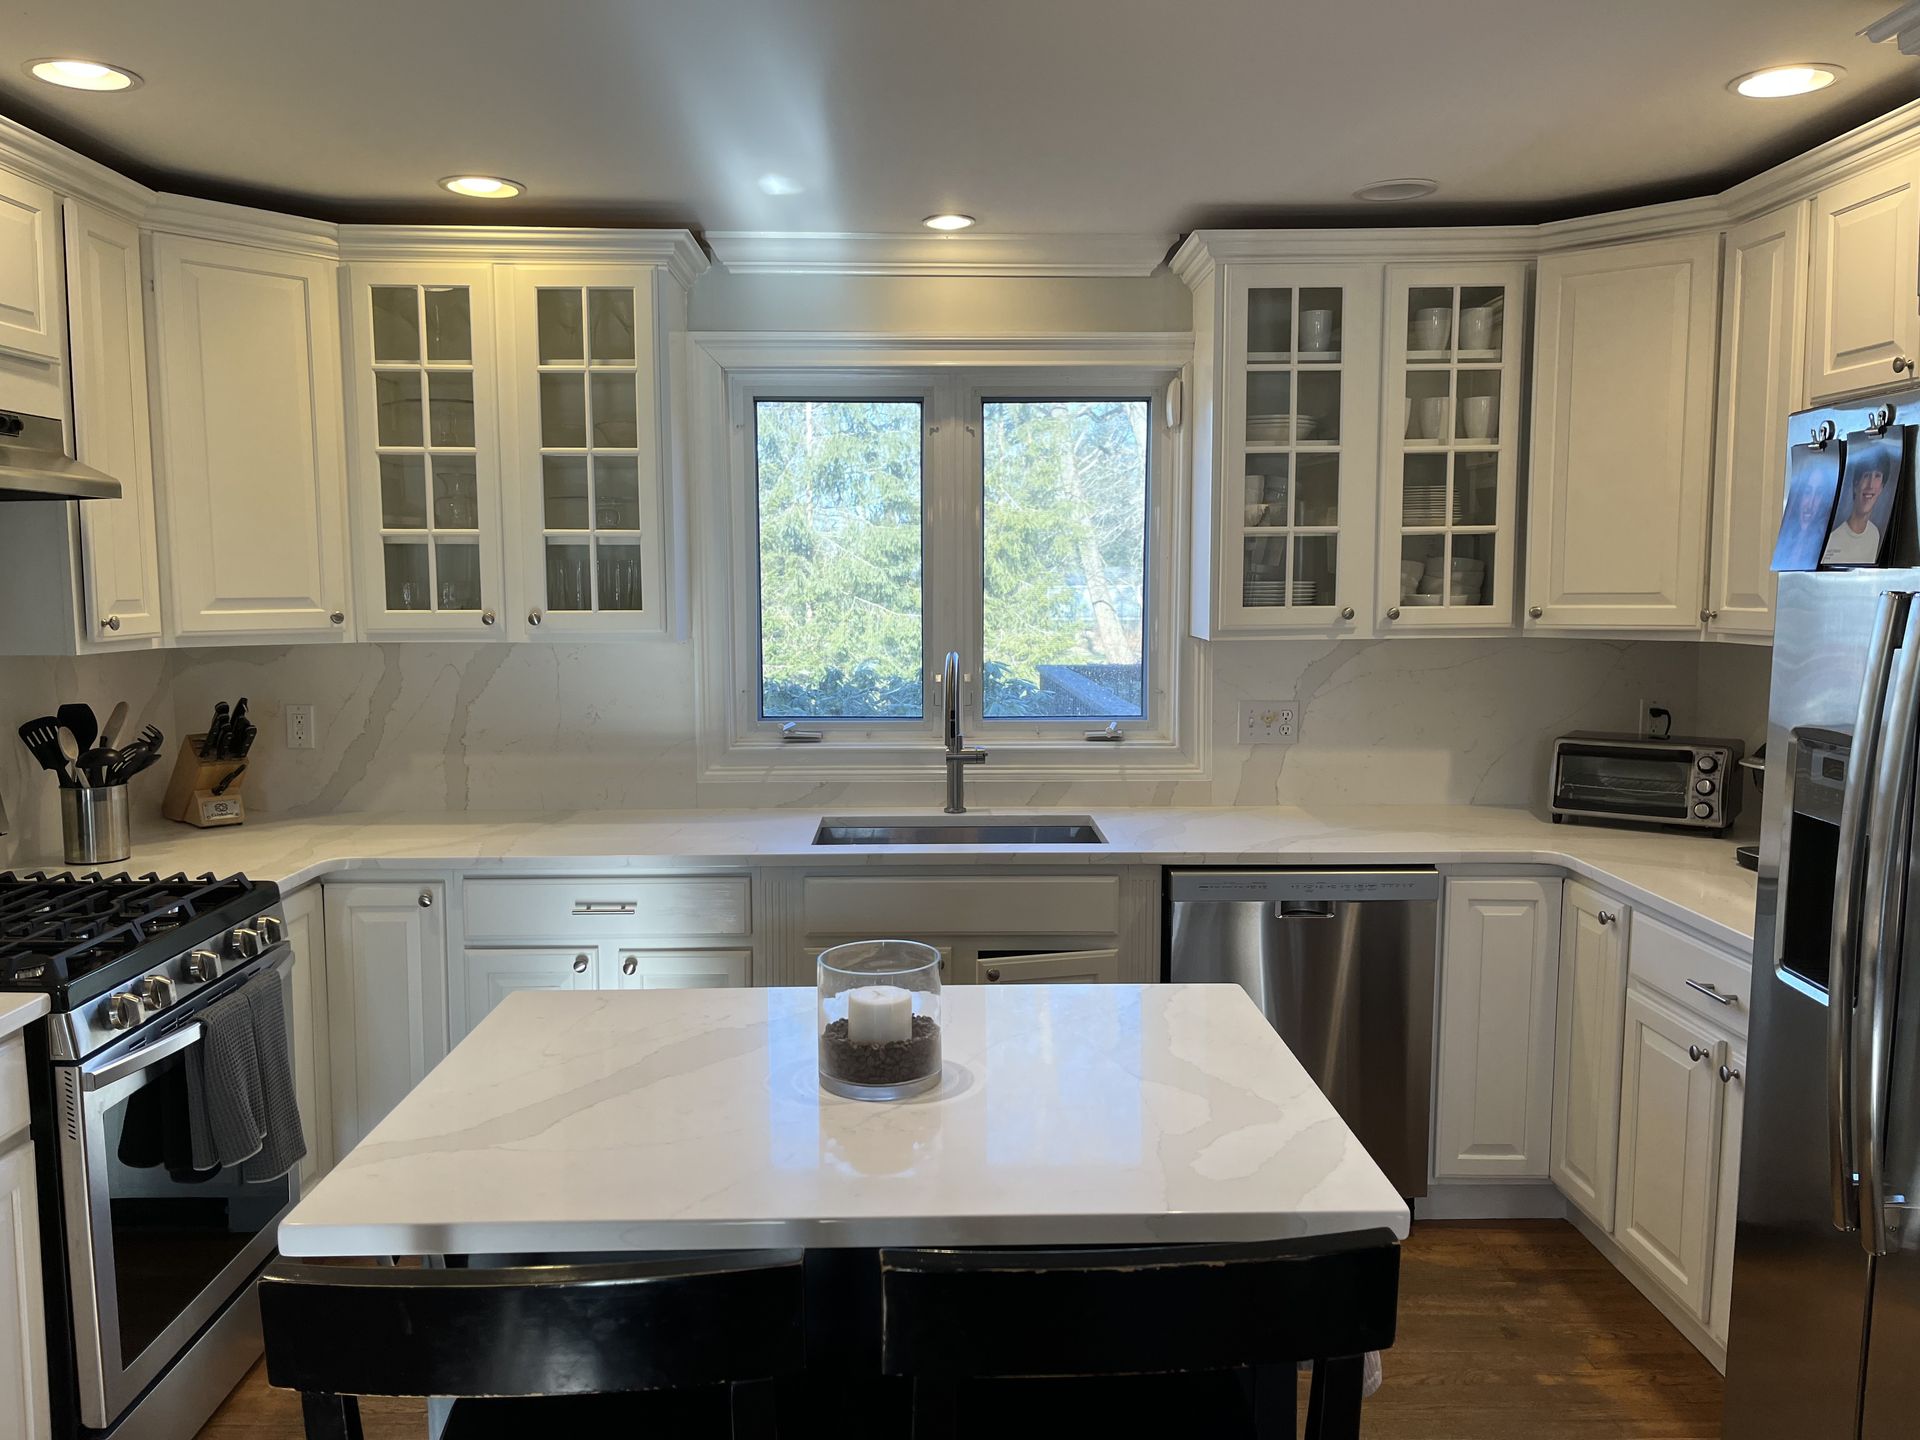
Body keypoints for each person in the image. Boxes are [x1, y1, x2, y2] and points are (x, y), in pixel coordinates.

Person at [1824, 455, 1890, 565]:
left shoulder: (1875, 534)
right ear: (1855, 485)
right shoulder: (1833, 538)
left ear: (1882, 487)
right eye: (1866, 475)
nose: (1870, 485)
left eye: (1877, 476)